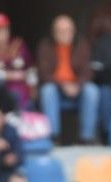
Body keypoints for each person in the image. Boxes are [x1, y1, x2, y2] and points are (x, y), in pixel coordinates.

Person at [37, 15, 100, 144]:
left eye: (67, 30)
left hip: (78, 88)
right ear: (53, 32)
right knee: (47, 90)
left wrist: (77, 85)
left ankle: (86, 138)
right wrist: (63, 84)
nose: (64, 34)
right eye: (60, 31)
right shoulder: (45, 46)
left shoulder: (81, 44)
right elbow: (43, 73)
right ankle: (54, 136)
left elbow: (88, 70)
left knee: (92, 90)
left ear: (73, 31)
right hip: (57, 89)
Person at [0, 13, 36, 111]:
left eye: (3, 30)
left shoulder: (18, 44)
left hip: (19, 86)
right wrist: (5, 75)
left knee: (23, 94)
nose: (1, 34)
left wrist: (32, 84)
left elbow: (30, 67)